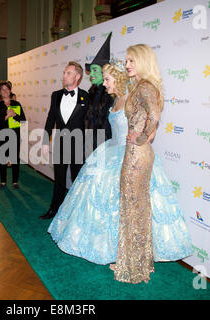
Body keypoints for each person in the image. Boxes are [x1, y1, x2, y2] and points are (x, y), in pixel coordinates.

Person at [48, 59, 193, 267]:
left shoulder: (131, 100)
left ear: (117, 78)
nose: (104, 83)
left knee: (127, 207)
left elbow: (151, 120)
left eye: (107, 79)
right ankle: (115, 249)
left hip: (130, 155)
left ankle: (132, 253)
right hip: (109, 151)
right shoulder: (115, 100)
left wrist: (142, 138)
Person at [112, 44, 165, 284]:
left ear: (143, 61)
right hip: (137, 152)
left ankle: (132, 265)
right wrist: (146, 137)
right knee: (137, 206)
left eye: (132, 60)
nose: (127, 65)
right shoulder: (143, 86)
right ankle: (136, 260)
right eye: (126, 61)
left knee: (132, 206)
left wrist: (142, 137)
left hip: (136, 154)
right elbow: (151, 117)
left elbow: (154, 117)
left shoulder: (144, 87)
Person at [40, 62, 89, 219]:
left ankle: (77, 213)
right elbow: (50, 120)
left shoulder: (86, 96)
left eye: (68, 73)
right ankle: (54, 209)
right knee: (59, 179)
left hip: (78, 145)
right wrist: (44, 141)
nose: (64, 76)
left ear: (77, 76)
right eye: (64, 72)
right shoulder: (56, 95)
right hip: (60, 143)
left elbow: (90, 123)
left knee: (77, 180)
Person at [0, 81, 26, 189]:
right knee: (2, 159)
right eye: (2, 89)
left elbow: (23, 120)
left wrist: (15, 114)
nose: (5, 91)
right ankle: (3, 182)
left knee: (15, 159)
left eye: (7, 89)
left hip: (14, 135)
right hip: (2, 135)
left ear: (10, 90)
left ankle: (15, 182)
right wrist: (7, 116)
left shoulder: (17, 104)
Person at [85, 32, 114, 153]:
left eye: (94, 70)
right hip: (90, 143)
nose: (91, 74)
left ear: (104, 72)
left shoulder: (112, 95)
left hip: (106, 145)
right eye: (90, 71)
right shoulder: (90, 92)